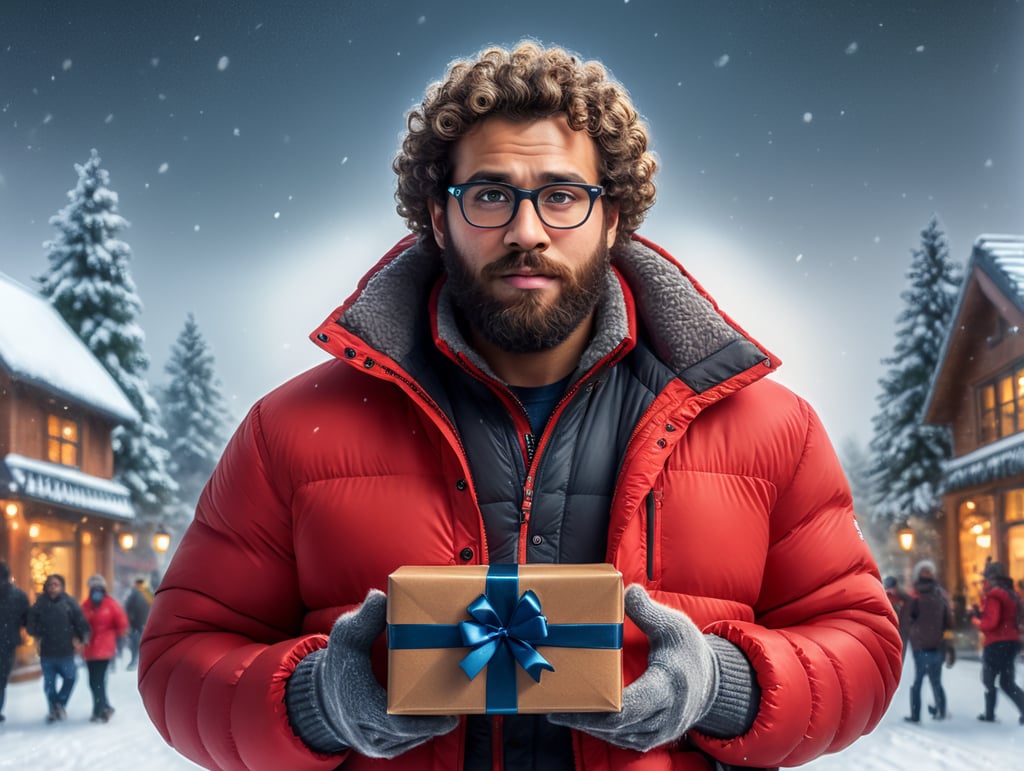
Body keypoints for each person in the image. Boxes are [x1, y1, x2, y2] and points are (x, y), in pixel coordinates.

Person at [139, 41, 902, 770]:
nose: (526, 231)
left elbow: (863, 648)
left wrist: (724, 683)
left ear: (613, 218)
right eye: (491, 195)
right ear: (439, 218)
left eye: (562, 196)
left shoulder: (772, 429)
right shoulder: (288, 432)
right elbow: (180, 659)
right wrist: (313, 701)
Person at [26, 573, 90, 723]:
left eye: (56, 585)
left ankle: (59, 704)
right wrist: (40, 631)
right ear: (46, 587)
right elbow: (30, 626)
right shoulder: (40, 604)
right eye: (50, 585)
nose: (53, 588)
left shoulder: (69, 603)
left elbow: (80, 622)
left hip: (66, 651)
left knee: (71, 678)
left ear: (62, 587)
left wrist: (81, 638)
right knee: (49, 684)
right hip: (47, 652)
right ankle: (53, 710)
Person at [972, 560, 1024, 724]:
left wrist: (977, 620)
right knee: (1007, 681)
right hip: (1011, 640)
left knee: (989, 679)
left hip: (996, 642)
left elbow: (991, 622)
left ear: (991, 578)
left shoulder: (994, 595)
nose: (984, 582)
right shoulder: (1011, 593)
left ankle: (989, 715)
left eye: (985, 578)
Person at [902, 560, 952, 722]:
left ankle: (917, 714)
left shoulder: (914, 594)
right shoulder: (939, 594)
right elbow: (948, 620)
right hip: (933, 643)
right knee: (934, 681)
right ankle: (940, 711)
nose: (927, 574)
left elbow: (906, 619)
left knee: (920, 681)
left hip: (923, 644)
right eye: (926, 571)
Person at [81, 574, 128, 723]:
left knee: (98, 680)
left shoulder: (111, 604)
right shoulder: (85, 605)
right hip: (89, 649)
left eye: (98, 588)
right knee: (92, 681)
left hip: (105, 649)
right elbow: (79, 623)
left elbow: (122, 624)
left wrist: (114, 637)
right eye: (93, 588)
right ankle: (105, 706)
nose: (96, 591)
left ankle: (99, 710)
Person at [0, 560, 30, 723]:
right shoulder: (18, 595)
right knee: (1, 678)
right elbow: (26, 620)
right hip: (8, 642)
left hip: (7, 639)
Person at [123, 577, 152, 671]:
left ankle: (135, 660)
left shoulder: (134, 593)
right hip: (144, 623)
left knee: (135, 643)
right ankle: (142, 661)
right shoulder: (148, 593)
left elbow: (127, 607)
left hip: (136, 623)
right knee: (143, 643)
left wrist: (129, 618)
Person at [884, 575, 911, 662]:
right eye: (888, 588)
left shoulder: (905, 599)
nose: (891, 590)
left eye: (892, 588)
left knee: (899, 661)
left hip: (902, 633)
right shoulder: (883, 599)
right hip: (888, 634)